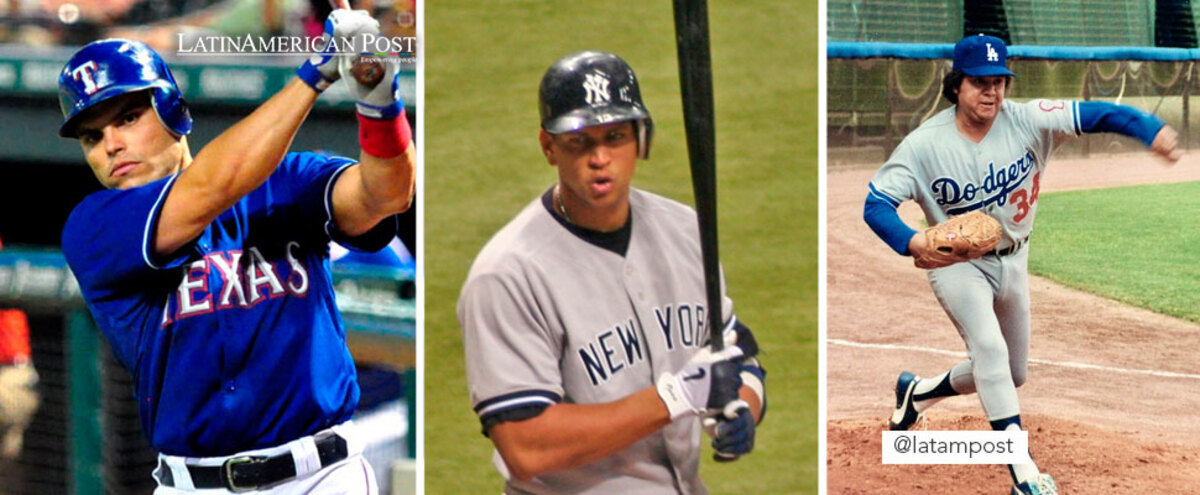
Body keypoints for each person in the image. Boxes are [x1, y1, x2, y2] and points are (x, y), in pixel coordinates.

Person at [56, 9, 414, 493]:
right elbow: (210, 187)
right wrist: (316, 73)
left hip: (322, 476)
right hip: (193, 483)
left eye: (128, 118)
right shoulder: (94, 228)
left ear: (173, 111)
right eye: (92, 137)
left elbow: (386, 194)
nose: (112, 145)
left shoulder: (286, 180)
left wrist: (378, 102)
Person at [863, 34, 1180, 495]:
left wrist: (1150, 129)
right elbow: (876, 205)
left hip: (1016, 258)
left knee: (1012, 374)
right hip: (958, 267)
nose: (992, 91)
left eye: (999, 81)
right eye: (980, 82)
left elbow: (1101, 113)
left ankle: (918, 394)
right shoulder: (922, 146)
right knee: (989, 353)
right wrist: (912, 242)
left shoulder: (1029, 120)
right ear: (957, 86)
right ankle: (1024, 475)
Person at [457, 51, 768, 494]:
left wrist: (741, 408)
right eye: (579, 141)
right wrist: (677, 396)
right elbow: (526, 448)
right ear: (549, 146)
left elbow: (736, 355)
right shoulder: (507, 275)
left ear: (640, 139)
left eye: (615, 136)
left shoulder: (685, 231)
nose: (600, 157)